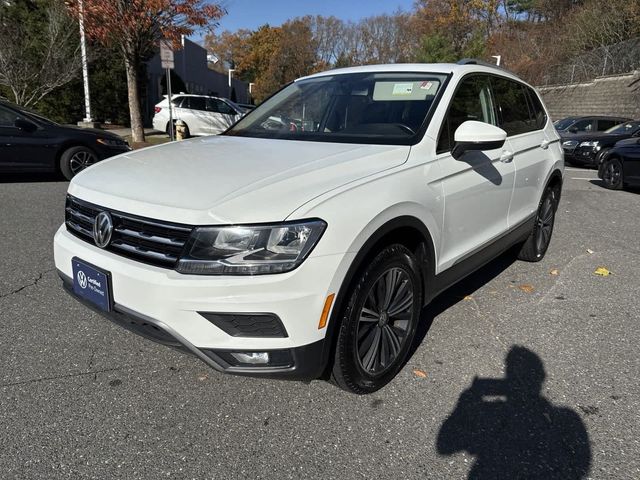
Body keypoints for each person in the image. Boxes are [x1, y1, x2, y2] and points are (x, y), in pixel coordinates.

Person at [437, 346, 591, 479]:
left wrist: (466, 400)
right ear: (541, 377)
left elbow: (444, 445)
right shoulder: (566, 417)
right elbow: (580, 465)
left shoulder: (563, 416)